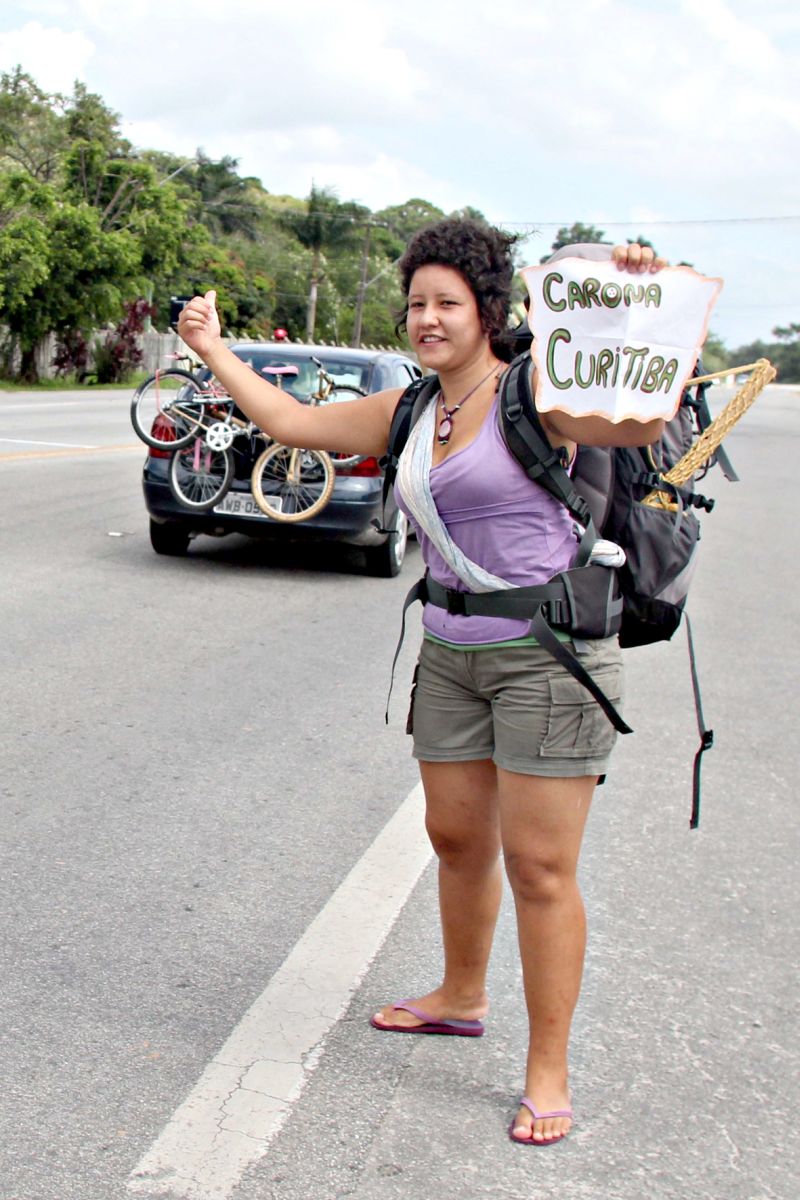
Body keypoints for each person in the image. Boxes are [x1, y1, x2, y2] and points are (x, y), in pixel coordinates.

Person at [177, 218, 668, 1148]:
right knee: (456, 839)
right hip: (449, 650)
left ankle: (549, 1069)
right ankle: (461, 994)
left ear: (488, 310)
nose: (428, 318)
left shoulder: (537, 392)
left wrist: (634, 305)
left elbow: (634, 418)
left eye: (448, 302)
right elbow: (292, 424)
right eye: (416, 304)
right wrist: (213, 349)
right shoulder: (410, 408)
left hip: (548, 657)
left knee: (540, 868)